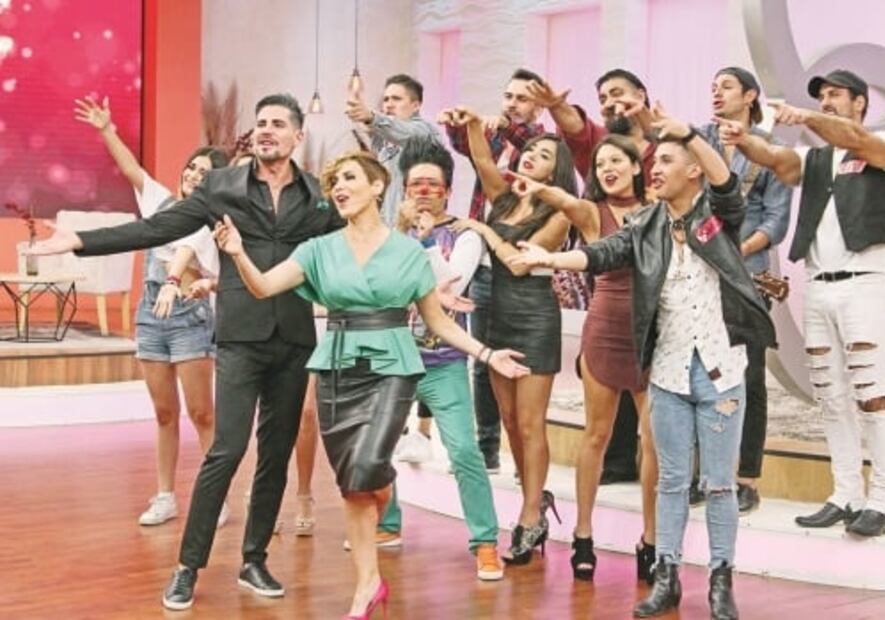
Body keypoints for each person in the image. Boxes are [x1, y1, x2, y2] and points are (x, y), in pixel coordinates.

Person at [32, 93, 345, 610]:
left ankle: (254, 559)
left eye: (277, 123)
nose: (267, 130)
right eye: (261, 123)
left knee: (275, 456)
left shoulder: (317, 198)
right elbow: (159, 227)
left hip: (294, 340)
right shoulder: (222, 187)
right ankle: (187, 567)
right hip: (240, 339)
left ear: (298, 136)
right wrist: (83, 242)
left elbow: (356, 245)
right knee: (227, 449)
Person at [212, 149, 528, 618]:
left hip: (392, 366)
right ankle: (367, 584)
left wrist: (486, 354)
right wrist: (238, 253)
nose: (339, 188)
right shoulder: (317, 249)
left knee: (367, 469)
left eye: (349, 178)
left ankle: (389, 490)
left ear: (378, 187)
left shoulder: (409, 252)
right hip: (337, 368)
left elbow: (437, 321)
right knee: (353, 484)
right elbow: (262, 287)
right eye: (334, 182)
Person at [510, 109, 776, 619]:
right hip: (669, 370)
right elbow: (603, 252)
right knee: (671, 480)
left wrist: (688, 135)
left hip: (720, 368)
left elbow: (725, 183)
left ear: (693, 169)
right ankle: (666, 576)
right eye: (655, 162)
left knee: (719, 484)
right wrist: (550, 259)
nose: (655, 169)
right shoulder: (647, 224)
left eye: (666, 161)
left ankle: (721, 581)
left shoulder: (719, 214)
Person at [719, 69, 885, 537]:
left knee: (872, 393)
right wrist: (742, 139)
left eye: (835, 94)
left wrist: (803, 116)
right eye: (821, 96)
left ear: (860, 102)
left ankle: (884, 500)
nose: (826, 101)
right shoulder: (817, 158)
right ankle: (846, 493)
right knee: (829, 394)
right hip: (819, 283)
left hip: (865, 283)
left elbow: (854, 139)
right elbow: (777, 160)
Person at [503, 134, 657, 582]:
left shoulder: (657, 210)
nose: (607, 168)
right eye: (600, 163)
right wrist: (539, 188)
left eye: (617, 160)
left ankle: (651, 539)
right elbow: (567, 201)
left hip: (651, 333)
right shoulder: (593, 212)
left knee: (653, 443)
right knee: (596, 435)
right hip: (605, 328)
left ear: (636, 166)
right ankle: (583, 536)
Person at [72, 95, 228, 528]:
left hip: (191, 320)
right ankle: (164, 496)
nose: (193, 176)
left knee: (202, 413)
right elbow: (131, 170)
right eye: (192, 168)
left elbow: (194, 257)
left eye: (204, 174)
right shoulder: (162, 202)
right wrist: (107, 129)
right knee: (164, 413)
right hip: (151, 318)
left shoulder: (214, 221)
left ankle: (214, 496)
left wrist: (179, 276)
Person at [443, 105, 575, 565]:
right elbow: (482, 160)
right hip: (496, 315)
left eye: (543, 155)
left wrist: (482, 229)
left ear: (556, 171)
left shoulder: (560, 212)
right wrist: (473, 125)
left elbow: (520, 263)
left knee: (531, 422)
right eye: (530, 150)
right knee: (509, 420)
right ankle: (534, 497)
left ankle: (530, 514)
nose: (531, 156)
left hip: (535, 317)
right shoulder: (504, 198)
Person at [372, 138, 505, 580]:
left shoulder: (466, 235)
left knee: (464, 450)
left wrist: (424, 241)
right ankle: (387, 523)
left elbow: (452, 284)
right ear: (404, 190)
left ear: (447, 191)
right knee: (377, 447)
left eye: (433, 185)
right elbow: (378, 282)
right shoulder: (387, 231)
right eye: (416, 185)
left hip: (444, 359)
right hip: (393, 357)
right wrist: (400, 231)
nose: (424, 192)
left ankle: (485, 542)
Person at [441, 68, 547, 474]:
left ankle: (526, 455)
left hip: (522, 266)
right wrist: (458, 123)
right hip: (484, 264)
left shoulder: (540, 145)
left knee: (525, 362)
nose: (511, 104)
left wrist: (497, 125)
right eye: (508, 96)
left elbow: (526, 146)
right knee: (483, 359)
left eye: (522, 98)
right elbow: (464, 146)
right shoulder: (496, 136)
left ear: (539, 106)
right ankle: (487, 449)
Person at [699, 67, 792, 513]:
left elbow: (776, 220)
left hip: (749, 278)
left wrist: (738, 249)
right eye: (713, 87)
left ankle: (746, 478)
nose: (717, 93)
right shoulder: (701, 140)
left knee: (749, 379)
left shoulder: (770, 150)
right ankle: (702, 473)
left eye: (727, 86)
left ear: (751, 95)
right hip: (699, 274)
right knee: (698, 375)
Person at [345, 73, 441, 228]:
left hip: (419, 227)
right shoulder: (385, 138)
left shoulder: (425, 131)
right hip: (390, 225)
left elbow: (402, 131)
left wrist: (371, 117)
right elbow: (383, 131)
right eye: (386, 99)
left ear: (416, 106)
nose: (389, 105)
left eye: (396, 99)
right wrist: (362, 117)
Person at [527, 68, 656, 179]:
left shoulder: (663, 144)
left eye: (617, 94)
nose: (608, 104)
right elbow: (575, 126)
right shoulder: (598, 141)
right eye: (603, 100)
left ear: (640, 96)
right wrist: (556, 107)